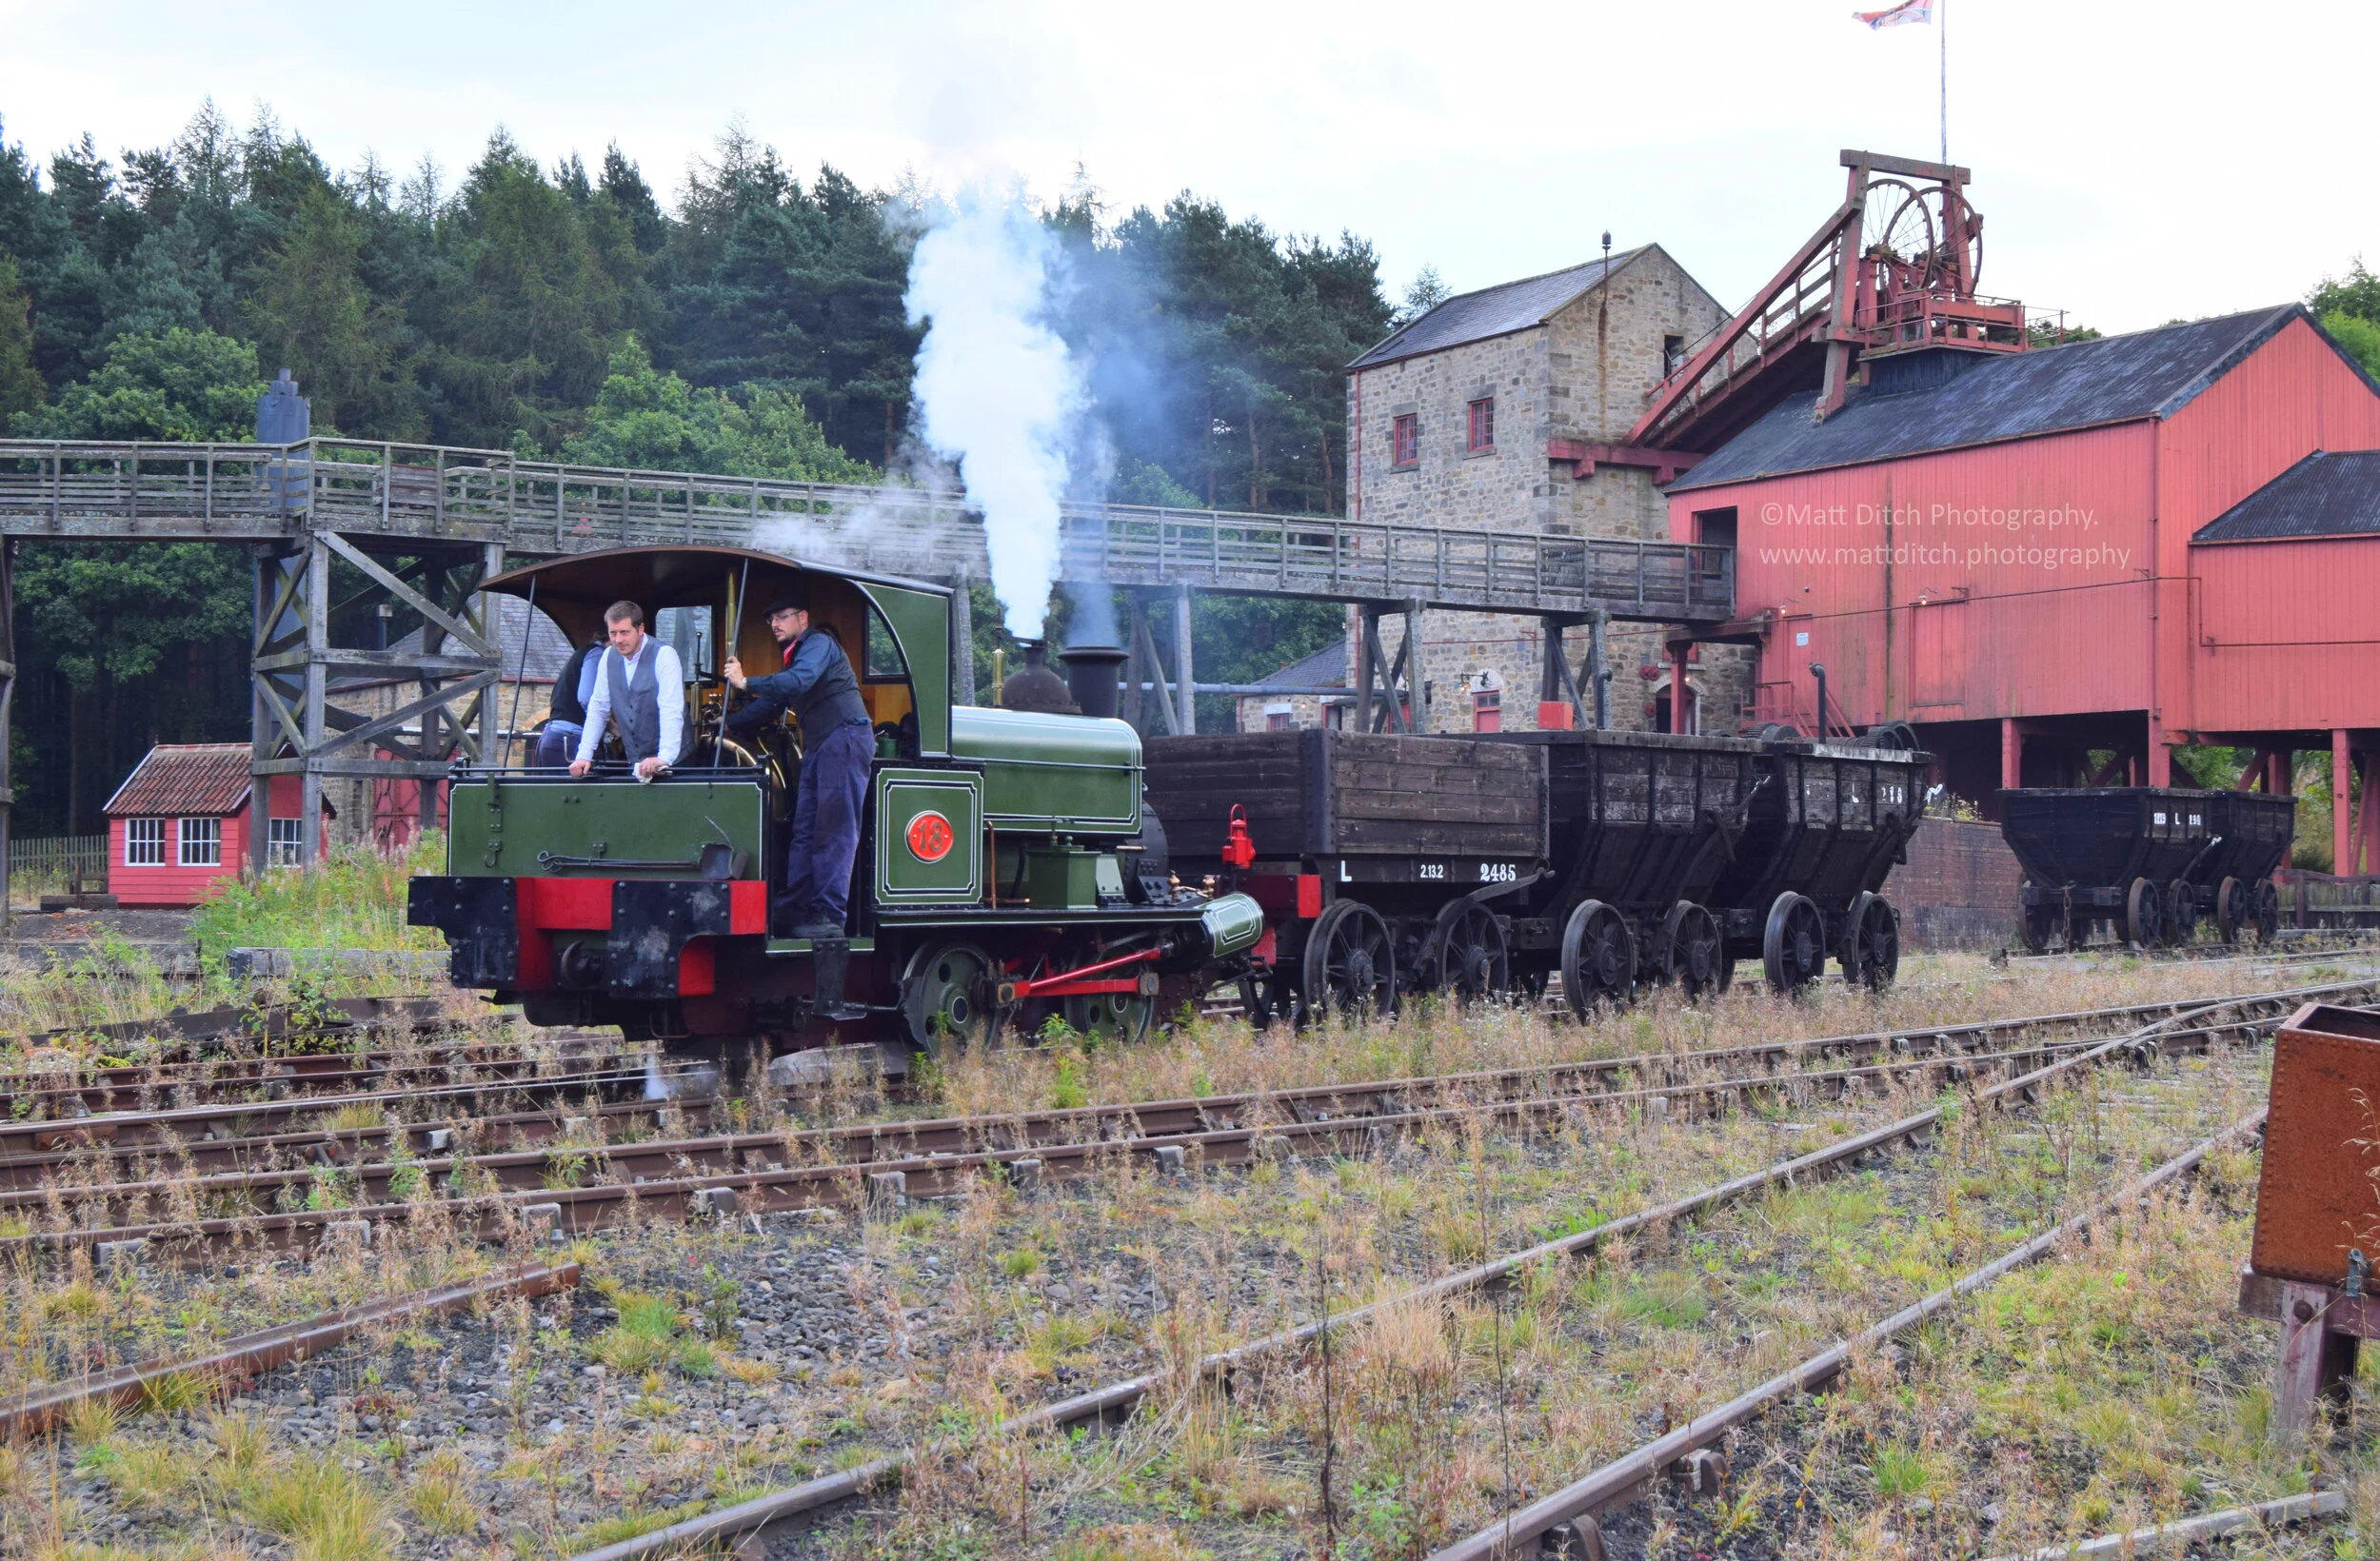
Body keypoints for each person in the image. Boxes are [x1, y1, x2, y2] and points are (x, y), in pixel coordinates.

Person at [725, 590, 872, 1021]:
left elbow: (795, 684)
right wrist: (725, 725)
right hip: (822, 742)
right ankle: (797, 905)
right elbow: (774, 704)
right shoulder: (794, 657)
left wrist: (746, 682)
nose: (774, 624)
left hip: (845, 737)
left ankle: (829, 913)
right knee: (805, 825)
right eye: (770, 618)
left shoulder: (819, 645)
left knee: (834, 828)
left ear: (802, 617)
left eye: (781, 616)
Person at [570, 601, 686, 780]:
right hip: (636, 760)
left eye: (624, 632)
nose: (618, 640)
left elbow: (670, 708)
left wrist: (664, 757)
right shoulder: (608, 656)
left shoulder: (664, 655)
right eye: (613, 633)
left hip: (676, 761)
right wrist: (583, 756)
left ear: (640, 629)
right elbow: (598, 707)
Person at [532, 629, 605, 769]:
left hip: (554, 736)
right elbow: (587, 699)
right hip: (569, 740)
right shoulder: (598, 654)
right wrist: (612, 726)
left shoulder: (582, 653)